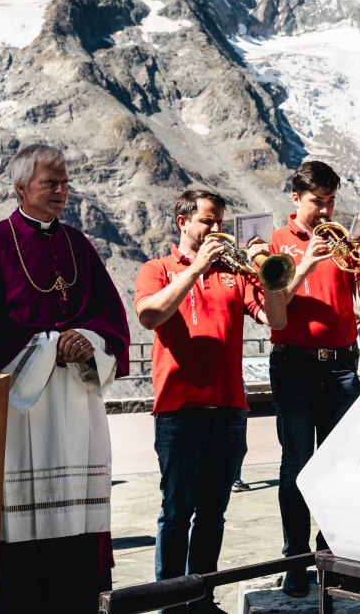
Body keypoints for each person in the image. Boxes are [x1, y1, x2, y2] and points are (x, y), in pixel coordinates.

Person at [0, 144, 131, 610]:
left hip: (77, 398)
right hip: (22, 404)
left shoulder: (78, 245)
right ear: (21, 187)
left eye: (65, 183)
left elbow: (110, 316)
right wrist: (48, 346)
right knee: (22, 520)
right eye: (50, 182)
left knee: (77, 523)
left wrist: (88, 341)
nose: (61, 191)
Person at [134, 190, 286, 613]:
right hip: (179, 410)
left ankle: (201, 601)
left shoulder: (234, 274)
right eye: (207, 221)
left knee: (213, 514)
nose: (217, 229)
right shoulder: (156, 269)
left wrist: (267, 271)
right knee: (176, 512)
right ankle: (170, 604)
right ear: (182, 221)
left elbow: (276, 319)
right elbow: (150, 315)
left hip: (230, 408)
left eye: (220, 221)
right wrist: (197, 268)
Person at [267, 160, 360, 597]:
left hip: (341, 365)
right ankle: (295, 561)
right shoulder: (275, 242)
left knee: (340, 466)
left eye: (331, 201)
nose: (326, 211)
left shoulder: (342, 242)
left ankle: (331, 557)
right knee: (297, 464)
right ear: (296, 198)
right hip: (294, 365)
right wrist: (306, 265)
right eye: (318, 202)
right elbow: (275, 311)